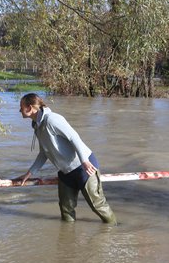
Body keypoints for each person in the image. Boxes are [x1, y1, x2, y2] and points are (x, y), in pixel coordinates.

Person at [14, 93, 117, 224]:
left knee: (98, 206)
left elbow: (74, 137)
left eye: (21, 107)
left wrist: (84, 161)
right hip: (65, 172)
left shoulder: (52, 119)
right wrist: (29, 173)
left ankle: (114, 232)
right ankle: (68, 242)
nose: (19, 110)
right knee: (66, 212)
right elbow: (43, 153)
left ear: (29, 108)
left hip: (84, 167)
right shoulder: (37, 125)